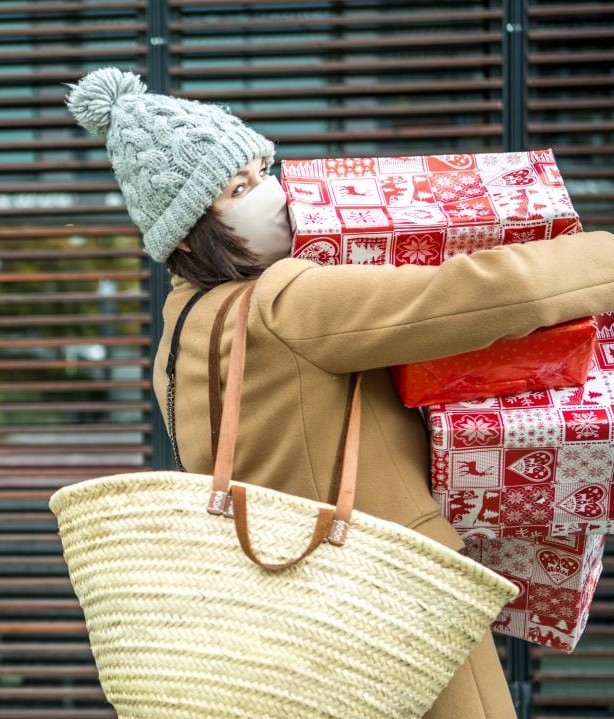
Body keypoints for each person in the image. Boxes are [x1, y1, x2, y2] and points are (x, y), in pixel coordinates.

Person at [65, 66, 614, 719]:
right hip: (394, 588)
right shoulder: (283, 301)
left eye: (264, 170)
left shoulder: (181, 330)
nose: (271, 194)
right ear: (187, 231)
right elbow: (472, 295)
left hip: (309, 615)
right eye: (239, 187)